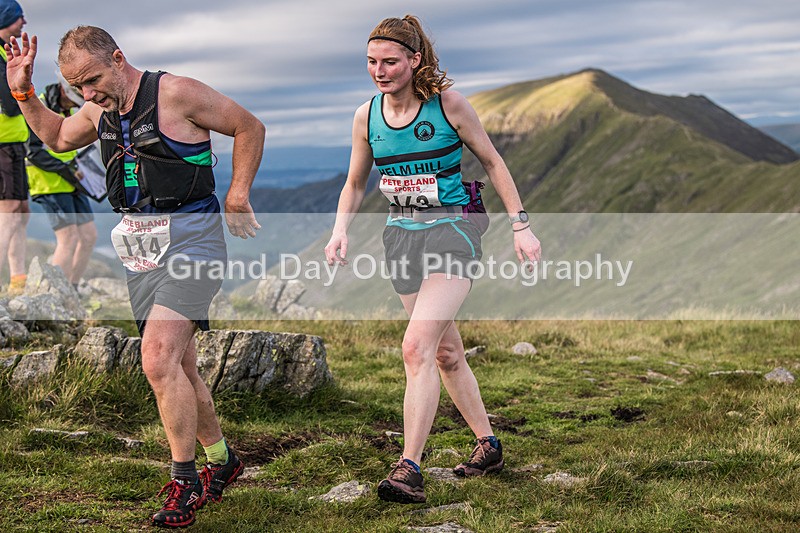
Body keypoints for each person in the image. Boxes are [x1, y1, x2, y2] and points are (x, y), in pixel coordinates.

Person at [5, 26, 264, 527]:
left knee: (157, 359)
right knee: (181, 368)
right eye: (78, 86)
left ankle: (184, 482)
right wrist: (24, 93)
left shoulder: (176, 93)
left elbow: (249, 127)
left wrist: (238, 194)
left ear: (118, 58)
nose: (89, 93)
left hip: (194, 238)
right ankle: (223, 461)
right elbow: (57, 138)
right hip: (140, 249)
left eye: (94, 80)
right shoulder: (96, 110)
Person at [325, 15, 541, 504]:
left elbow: (493, 162)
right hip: (401, 237)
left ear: (415, 60)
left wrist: (521, 225)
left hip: (454, 231)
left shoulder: (448, 106)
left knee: (416, 347)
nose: (379, 71)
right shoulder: (367, 117)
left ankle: (409, 468)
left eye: (390, 62)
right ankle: (488, 445)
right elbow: (356, 182)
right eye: (371, 63)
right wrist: (340, 230)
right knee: (445, 352)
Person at [26, 74, 97, 288]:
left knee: (89, 236)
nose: (73, 105)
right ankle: (55, 294)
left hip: (72, 180)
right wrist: (66, 170)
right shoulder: (38, 107)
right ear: (64, 89)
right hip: (48, 182)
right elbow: (33, 152)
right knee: (68, 239)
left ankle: (72, 288)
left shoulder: (74, 110)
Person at [0, 0, 28, 294]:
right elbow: (10, 105)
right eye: (20, 18)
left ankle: (18, 281)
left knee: (20, 210)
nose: (24, 24)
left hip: (12, 143)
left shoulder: (3, 53)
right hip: (3, 143)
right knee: (8, 210)